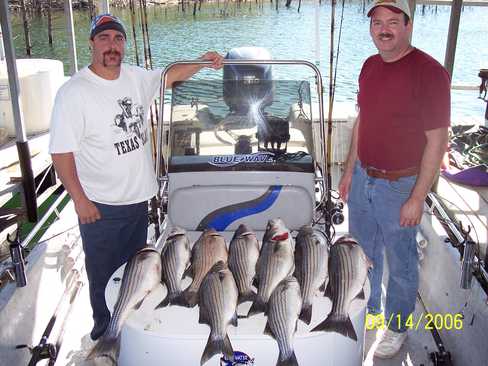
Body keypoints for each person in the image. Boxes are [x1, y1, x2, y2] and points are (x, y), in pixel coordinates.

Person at [49, 13, 223, 341]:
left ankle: (128, 334)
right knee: (103, 279)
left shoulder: (135, 77)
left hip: (137, 203)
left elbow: (170, 76)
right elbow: (61, 153)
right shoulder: (73, 93)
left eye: (117, 38)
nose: (111, 46)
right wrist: (80, 200)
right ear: (91, 44)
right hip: (101, 208)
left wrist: (201, 61)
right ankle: (104, 336)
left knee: (134, 277)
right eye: (104, 39)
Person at [338, 0, 450, 358]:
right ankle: (368, 314)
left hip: (400, 185)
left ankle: (397, 326)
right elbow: (362, 121)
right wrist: (347, 170)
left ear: (408, 26)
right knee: (362, 253)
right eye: (377, 23)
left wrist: (418, 196)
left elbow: (437, 140)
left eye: (392, 22)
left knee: (401, 263)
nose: (383, 29)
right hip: (362, 177)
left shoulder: (429, 72)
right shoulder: (370, 65)